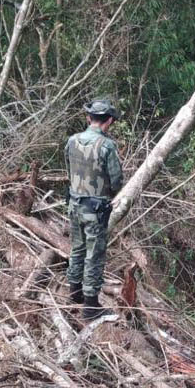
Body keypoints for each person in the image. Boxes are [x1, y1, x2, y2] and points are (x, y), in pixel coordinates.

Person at [64, 98, 123, 320]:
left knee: (77, 248)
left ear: (89, 118)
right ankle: (90, 307)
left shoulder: (72, 141)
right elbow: (116, 181)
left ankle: (74, 293)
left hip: (74, 203)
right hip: (96, 208)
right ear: (108, 121)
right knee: (94, 254)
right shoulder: (107, 146)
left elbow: (69, 172)